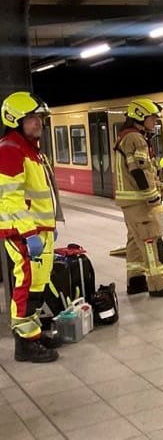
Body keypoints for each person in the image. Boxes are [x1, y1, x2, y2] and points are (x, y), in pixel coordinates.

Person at [0, 91, 62, 362]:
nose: (38, 123)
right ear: (14, 120)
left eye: (39, 118)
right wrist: (30, 233)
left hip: (39, 230)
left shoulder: (31, 150)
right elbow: (10, 200)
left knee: (37, 285)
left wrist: (48, 226)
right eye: (31, 118)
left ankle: (33, 334)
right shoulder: (10, 149)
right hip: (23, 233)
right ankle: (24, 344)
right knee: (25, 284)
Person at [113, 98, 163, 297]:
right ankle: (159, 284)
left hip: (129, 201)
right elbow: (140, 171)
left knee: (135, 242)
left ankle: (136, 281)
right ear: (140, 117)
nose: (155, 122)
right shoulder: (136, 138)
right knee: (152, 240)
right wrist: (153, 197)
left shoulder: (125, 136)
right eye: (152, 118)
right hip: (140, 202)